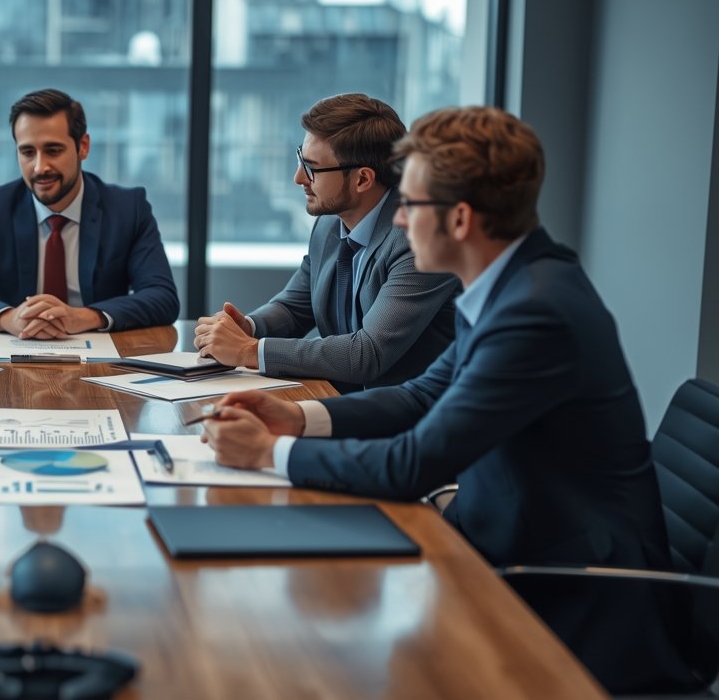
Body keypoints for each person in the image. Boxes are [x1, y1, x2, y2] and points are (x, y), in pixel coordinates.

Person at [202, 106, 693, 693]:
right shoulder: (511, 283)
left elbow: (415, 460)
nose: (400, 222)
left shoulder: (535, 313)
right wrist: (298, 417)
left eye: (410, 205)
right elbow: (420, 395)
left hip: (569, 594)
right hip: (498, 536)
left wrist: (267, 454)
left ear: (459, 218)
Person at [193, 93, 458, 391]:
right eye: (299, 160)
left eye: (312, 168)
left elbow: (366, 354)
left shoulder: (418, 240)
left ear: (362, 180)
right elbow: (296, 306)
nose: (298, 178)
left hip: (408, 416)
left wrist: (249, 350)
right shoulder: (329, 224)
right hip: (342, 399)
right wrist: (248, 327)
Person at [0, 88, 179, 337]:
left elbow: (162, 297)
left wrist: (84, 316)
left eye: (53, 150)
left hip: (102, 362)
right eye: (28, 152)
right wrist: (9, 318)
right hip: (13, 357)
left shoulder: (128, 209)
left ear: (83, 146)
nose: (40, 167)